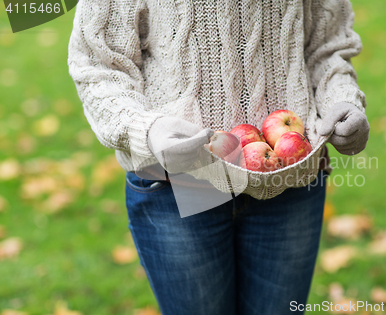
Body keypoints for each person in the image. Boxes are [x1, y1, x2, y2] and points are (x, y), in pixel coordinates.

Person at [68, 0, 369, 313]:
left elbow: (328, 46)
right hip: (179, 182)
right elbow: (99, 64)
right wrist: (147, 130)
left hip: (289, 176)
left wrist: (342, 99)